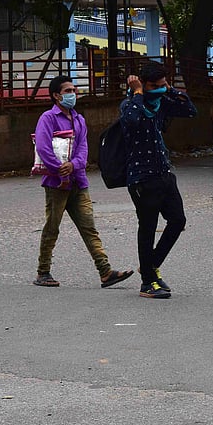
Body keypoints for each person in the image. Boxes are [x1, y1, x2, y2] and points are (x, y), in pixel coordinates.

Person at [33, 75, 133, 288]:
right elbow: (43, 147)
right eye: (68, 91)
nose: (73, 94)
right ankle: (43, 271)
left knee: (89, 227)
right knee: (52, 227)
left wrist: (75, 165)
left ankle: (105, 272)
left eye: (74, 90)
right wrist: (60, 170)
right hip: (56, 183)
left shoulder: (79, 119)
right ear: (56, 95)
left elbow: (83, 148)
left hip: (78, 181)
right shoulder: (48, 118)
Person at [120, 62, 197, 299]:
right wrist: (138, 93)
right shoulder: (130, 104)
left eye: (162, 85)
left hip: (164, 173)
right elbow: (131, 120)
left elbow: (191, 111)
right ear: (143, 84)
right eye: (155, 86)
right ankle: (147, 283)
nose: (159, 90)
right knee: (148, 228)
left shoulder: (161, 103)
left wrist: (169, 90)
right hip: (142, 177)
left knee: (177, 220)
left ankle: (150, 265)